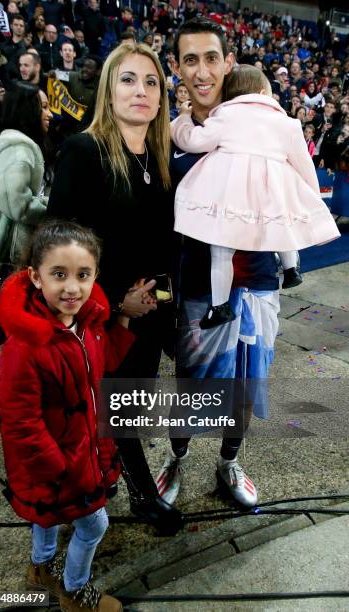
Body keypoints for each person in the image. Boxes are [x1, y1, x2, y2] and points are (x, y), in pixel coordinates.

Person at [155, 17, 305, 508]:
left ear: (227, 63)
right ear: (176, 68)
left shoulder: (260, 127)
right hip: (199, 288)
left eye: (211, 58)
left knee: (244, 383)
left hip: (258, 283)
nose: (202, 71)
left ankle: (229, 460)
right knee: (195, 386)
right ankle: (176, 457)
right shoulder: (172, 138)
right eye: (190, 60)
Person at [47, 42, 183, 535]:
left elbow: (165, 246)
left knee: (129, 406)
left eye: (151, 82)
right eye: (128, 79)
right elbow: (61, 248)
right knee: (106, 407)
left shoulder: (163, 158)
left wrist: (160, 305)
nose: (141, 91)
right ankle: (141, 495)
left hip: (149, 314)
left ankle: (114, 476)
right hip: (101, 316)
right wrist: (115, 302)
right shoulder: (84, 150)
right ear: (108, 87)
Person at [0, 220, 134, 612]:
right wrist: (60, 469)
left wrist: (121, 324)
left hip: (78, 454)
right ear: (35, 277)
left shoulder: (87, 325)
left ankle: (40, 568)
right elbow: (21, 422)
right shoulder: (25, 345)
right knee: (94, 525)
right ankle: (75, 593)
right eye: (59, 275)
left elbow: (96, 372)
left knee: (47, 517)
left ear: (95, 277)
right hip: (61, 467)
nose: (71, 287)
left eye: (82, 275)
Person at [170, 63, 339, 328]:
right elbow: (304, 164)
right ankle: (292, 268)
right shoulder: (288, 123)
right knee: (280, 223)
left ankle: (220, 306)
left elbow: (192, 141)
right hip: (272, 190)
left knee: (221, 251)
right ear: (264, 91)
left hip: (233, 194)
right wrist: (313, 200)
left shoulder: (225, 116)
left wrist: (180, 119)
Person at [0, 83, 52, 270]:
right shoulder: (17, 149)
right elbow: (18, 206)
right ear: (27, 110)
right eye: (43, 107)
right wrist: (55, 205)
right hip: (14, 258)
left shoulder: (23, 147)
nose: (50, 114)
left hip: (24, 254)